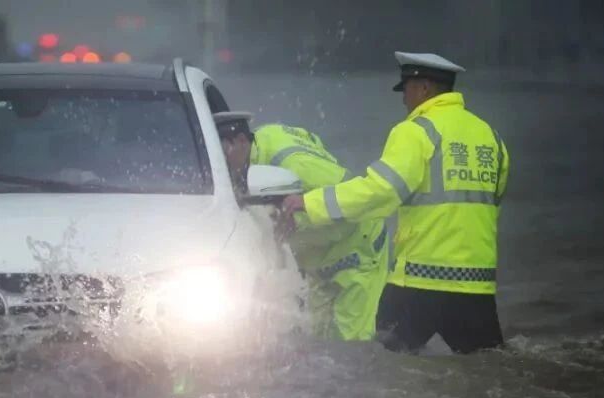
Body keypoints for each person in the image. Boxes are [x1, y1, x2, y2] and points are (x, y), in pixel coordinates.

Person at [280, 52, 510, 354]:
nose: (404, 99)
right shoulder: (490, 137)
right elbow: (494, 198)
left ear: (425, 88)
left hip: (420, 281)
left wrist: (310, 203)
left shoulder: (416, 131)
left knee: (381, 366)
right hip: (476, 287)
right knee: (489, 368)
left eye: (408, 89)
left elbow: (379, 191)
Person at [214, 112, 388, 341]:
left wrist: (298, 218)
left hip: (358, 251)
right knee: (320, 341)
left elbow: (355, 198)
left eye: (223, 151)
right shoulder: (265, 138)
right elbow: (311, 139)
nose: (221, 163)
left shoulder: (297, 166)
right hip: (323, 257)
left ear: (242, 142)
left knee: (352, 344)